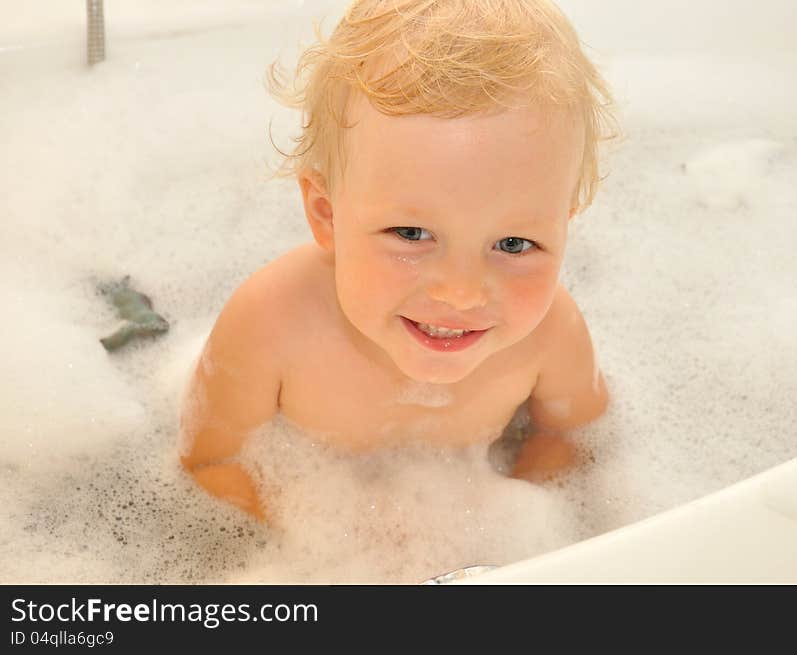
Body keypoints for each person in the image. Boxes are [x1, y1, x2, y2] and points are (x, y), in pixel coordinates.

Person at [180, 0, 615, 520]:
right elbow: (209, 465)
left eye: (514, 245)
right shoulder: (270, 324)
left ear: (564, 225)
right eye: (412, 234)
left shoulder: (552, 334)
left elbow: (574, 439)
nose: (461, 292)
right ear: (327, 215)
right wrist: (321, 548)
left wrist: (506, 526)